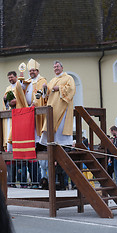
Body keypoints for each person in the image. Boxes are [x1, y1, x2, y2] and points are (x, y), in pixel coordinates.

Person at [40, 60, 76, 190]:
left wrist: (58, 88)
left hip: (63, 107)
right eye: (54, 67)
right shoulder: (51, 80)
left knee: (61, 127)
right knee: (51, 125)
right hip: (52, 107)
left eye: (57, 66)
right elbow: (46, 94)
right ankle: (51, 143)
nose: (55, 68)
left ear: (62, 67)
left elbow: (71, 90)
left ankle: (64, 144)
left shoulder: (68, 78)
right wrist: (45, 88)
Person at [15, 58, 47, 187]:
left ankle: (40, 143)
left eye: (33, 70)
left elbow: (42, 92)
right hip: (28, 111)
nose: (32, 72)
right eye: (30, 70)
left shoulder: (42, 80)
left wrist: (35, 101)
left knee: (37, 130)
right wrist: (21, 78)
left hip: (38, 109)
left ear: (37, 71)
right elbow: (21, 89)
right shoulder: (28, 81)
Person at [3, 71, 17, 187]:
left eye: (11, 77)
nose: (10, 79)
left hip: (17, 113)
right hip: (10, 114)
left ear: (15, 77)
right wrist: (5, 100)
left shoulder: (19, 86)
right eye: (9, 78)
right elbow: (5, 103)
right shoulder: (8, 88)